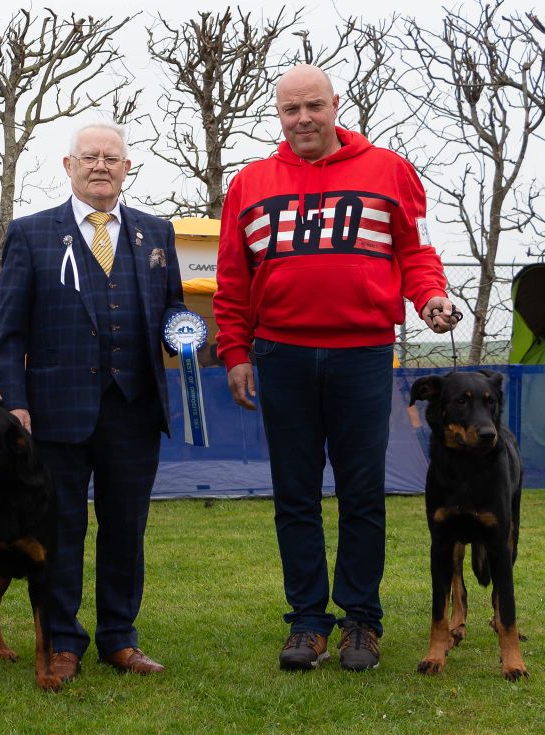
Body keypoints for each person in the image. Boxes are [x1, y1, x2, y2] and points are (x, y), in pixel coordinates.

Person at [213, 65, 457, 673]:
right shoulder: (249, 183)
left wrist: (429, 297)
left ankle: (361, 622)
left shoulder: (389, 169)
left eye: (313, 107)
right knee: (295, 495)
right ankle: (306, 622)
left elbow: (415, 251)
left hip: (364, 354)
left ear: (334, 104)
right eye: (290, 109)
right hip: (280, 355)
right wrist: (236, 352)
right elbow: (232, 280)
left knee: (361, 493)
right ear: (278, 114)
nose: (302, 119)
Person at [0, 121, 185, 682]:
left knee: (127, 529)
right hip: (55, 413)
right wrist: (16, 404)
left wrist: (184, 332)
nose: (101, 165)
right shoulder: (30, 233)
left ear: (128, 167)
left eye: (112, 157)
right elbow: (9, 335)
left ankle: (120, 638)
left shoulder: (157, 234)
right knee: (62, 531)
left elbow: (169, 309)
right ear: (68, 166)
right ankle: (63, 641)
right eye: (90, 157)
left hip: (135, 409)